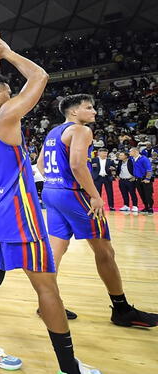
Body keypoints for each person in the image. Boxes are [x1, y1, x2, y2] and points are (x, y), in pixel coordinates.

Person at [0, 28, 99, 374]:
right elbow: (40, 76)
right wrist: (7, 52)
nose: (12, 93)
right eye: (7, 91)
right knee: (47, 289)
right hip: (18, 216)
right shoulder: (6, 117)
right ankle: (69, 367)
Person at [39, 94, 157, 329]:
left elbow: (41, 164)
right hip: (73, 194)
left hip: (52, 193)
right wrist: (94, 195)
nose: (94, 112)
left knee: (56, 249)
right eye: (89, 108)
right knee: (104, 250)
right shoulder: (80, 130)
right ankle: (122, 309)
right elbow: (77, 164)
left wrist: (56, 183)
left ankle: (46, 303)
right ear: (74, 112)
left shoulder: (53, 132)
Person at [129, 147, 154, 215]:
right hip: (137, 179)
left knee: (148, 194)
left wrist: (147, 179)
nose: (129, 153)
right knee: (142, 194)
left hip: (145, 179)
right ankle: (146, 207)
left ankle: (150, 208)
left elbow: (149, 169)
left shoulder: (144, 159)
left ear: (135, 152)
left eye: (130, 151)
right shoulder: (132, 159)